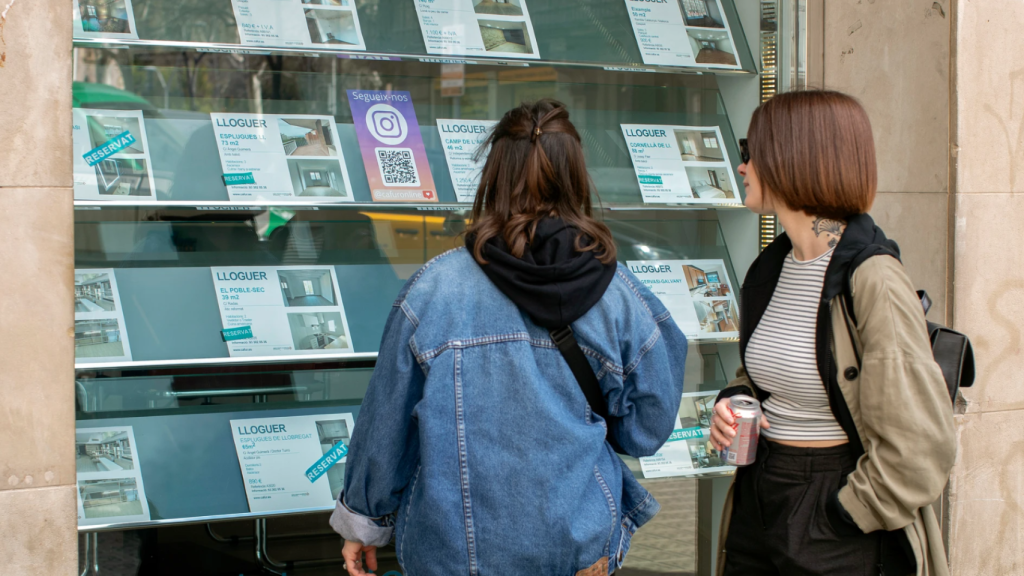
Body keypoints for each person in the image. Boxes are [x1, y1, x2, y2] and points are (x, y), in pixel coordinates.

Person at [330, 99, 688, 576]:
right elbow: (646, 429)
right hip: (580, 546)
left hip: (454, 553)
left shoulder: (433, 291)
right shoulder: (620, 294)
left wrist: (364, 522)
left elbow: (387, 425)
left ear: (494, 174)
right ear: (576, 174)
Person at [709, 90, 956, 576]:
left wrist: (848, 513)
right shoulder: (772, 267)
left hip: (833, 503)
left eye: (750, 152)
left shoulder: (872, 277)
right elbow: (766, 375)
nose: (742, 166)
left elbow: (923, 442)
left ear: (792, 159)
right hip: (760, 494)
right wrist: (732, 401)